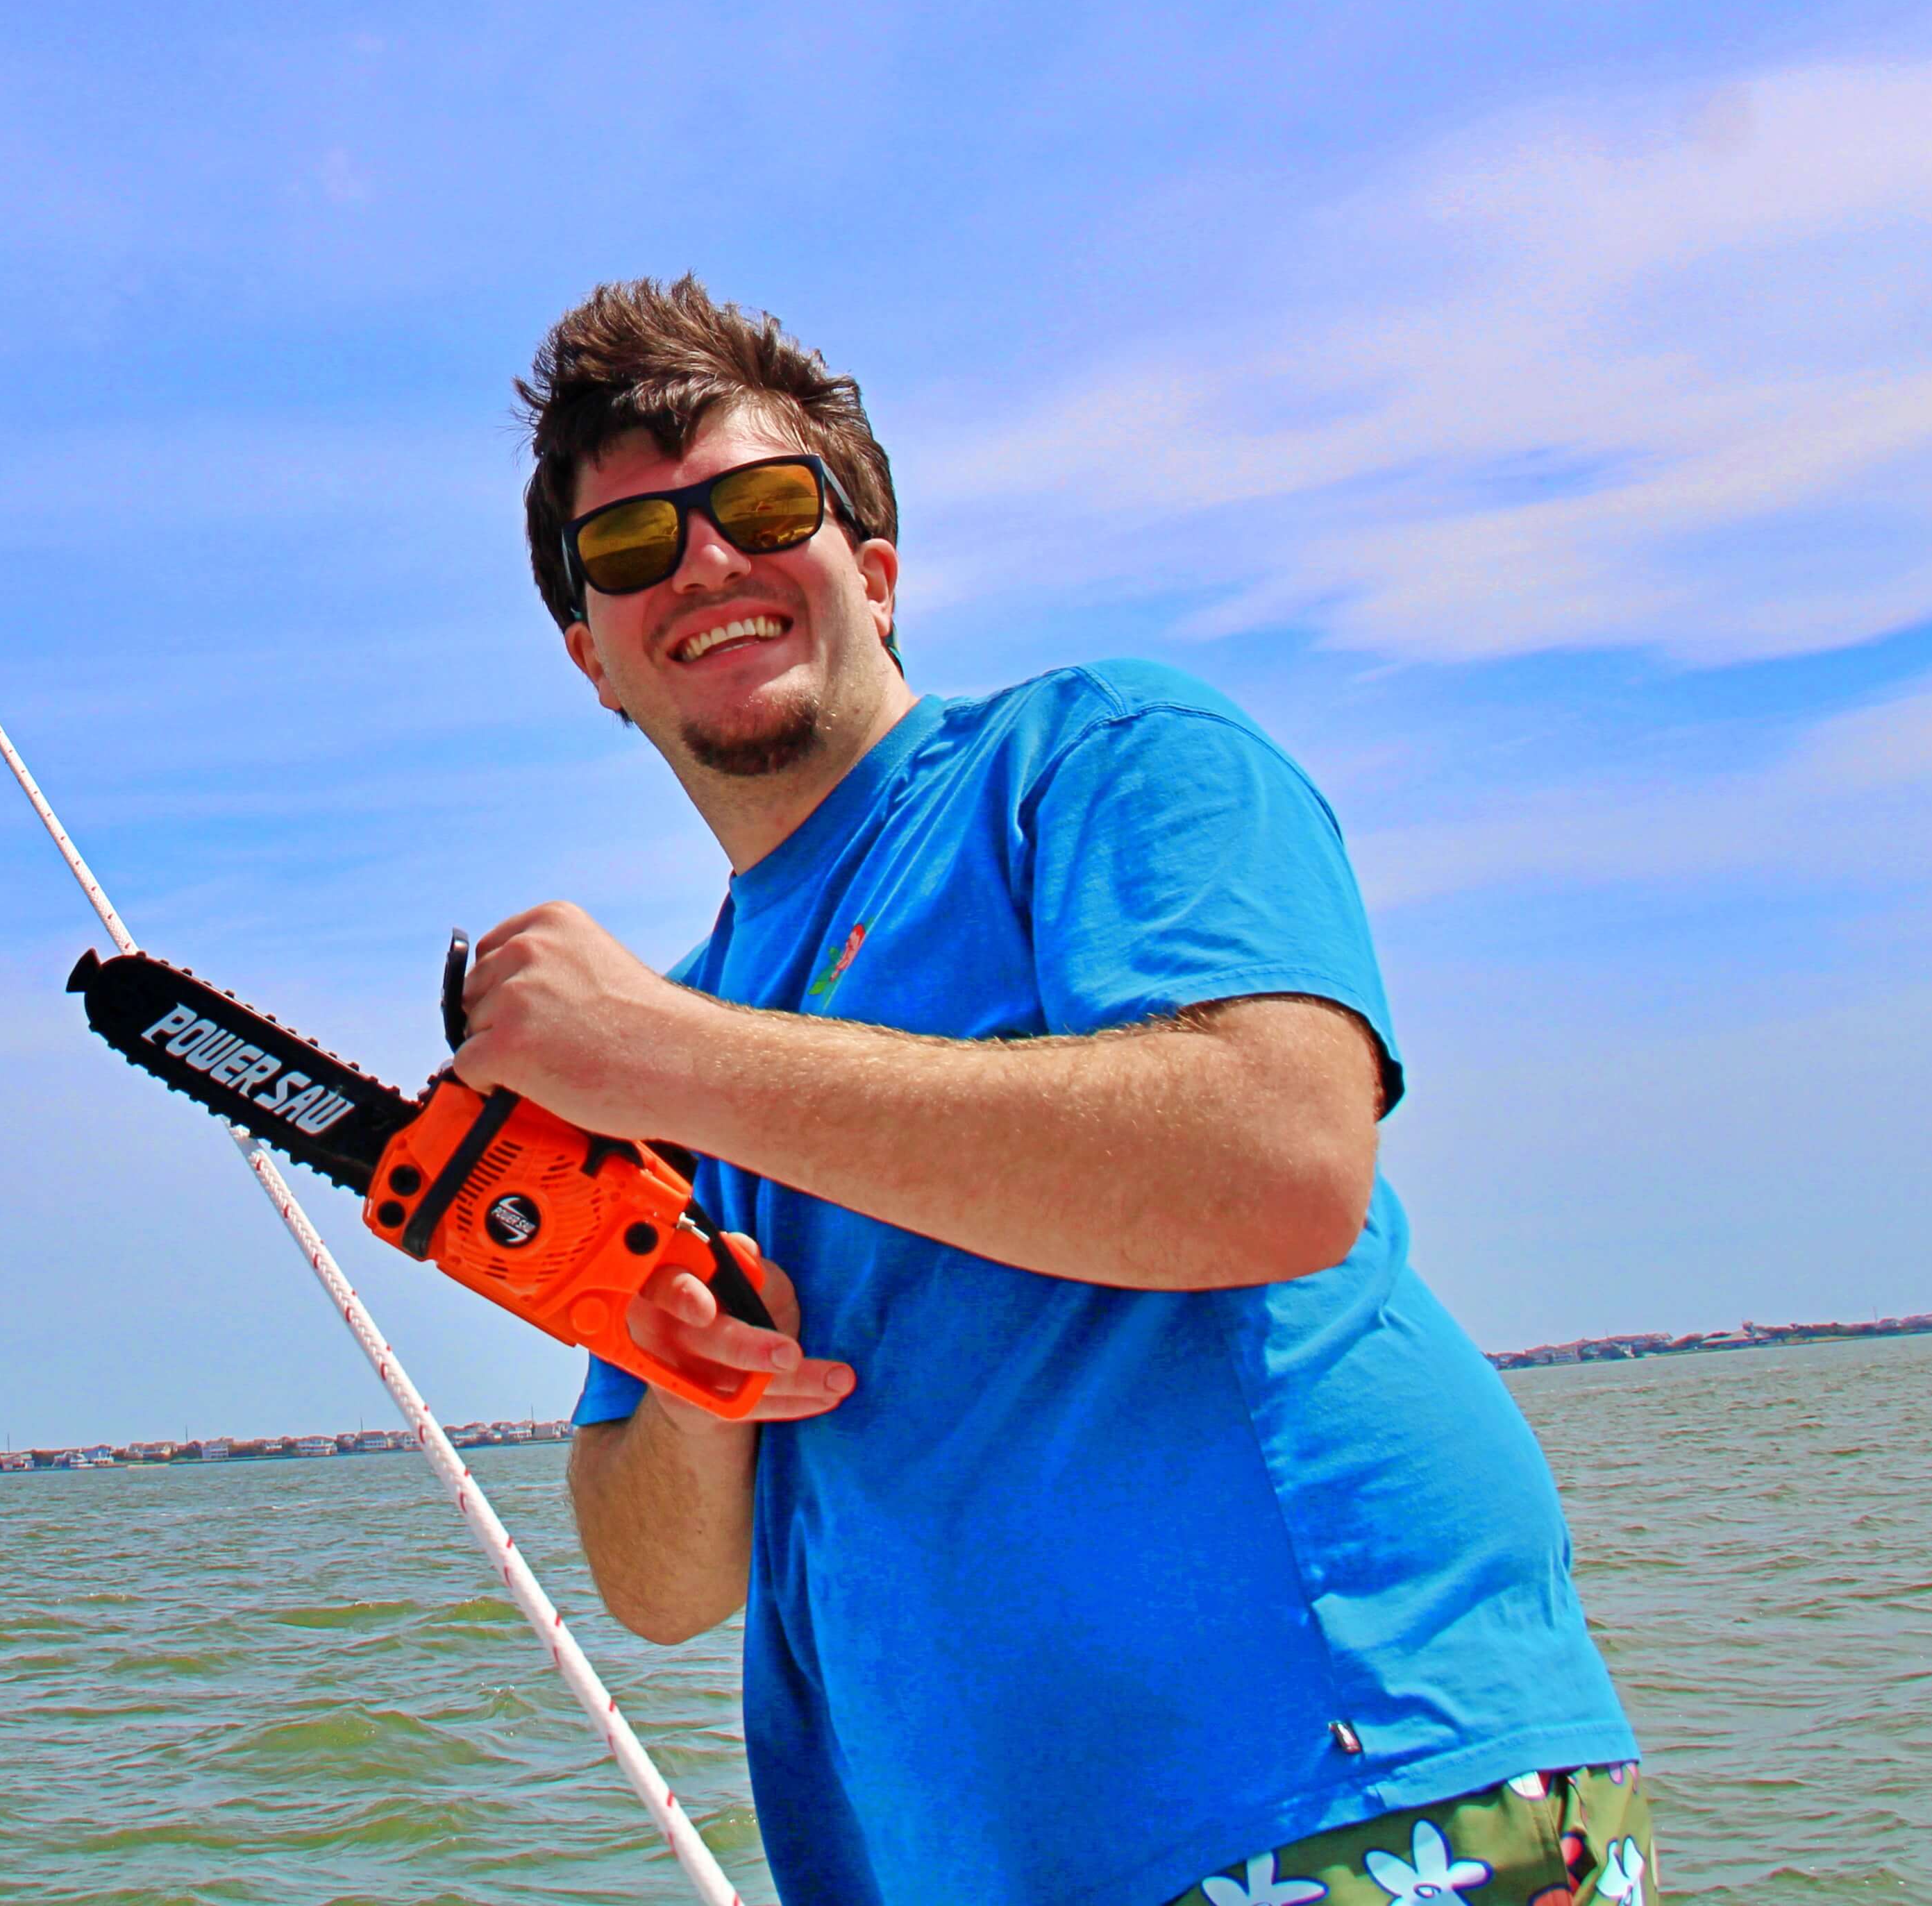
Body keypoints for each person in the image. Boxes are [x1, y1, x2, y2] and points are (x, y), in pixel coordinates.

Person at [453, 278, 1649, 1906]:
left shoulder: (1099, 757)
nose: (707, 561)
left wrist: (659, 1052)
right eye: (633, 546)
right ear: (591, 656)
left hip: (1351, 1800)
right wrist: (691, 1378)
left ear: (873, 571)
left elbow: (1282, 1157)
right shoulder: (667, 1036)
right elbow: (657, 1580)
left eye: (759, 504)